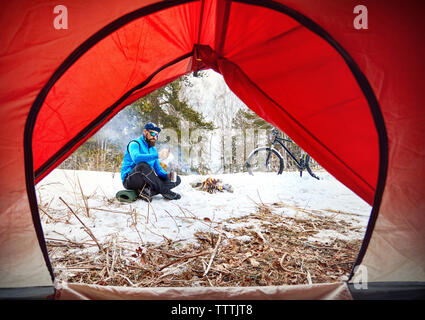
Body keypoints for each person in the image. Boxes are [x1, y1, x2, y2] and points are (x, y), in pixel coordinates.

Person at [120, 122, 181, 201]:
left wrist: (167, 176)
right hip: (131, 180)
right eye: (152, 133)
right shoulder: (134, 143)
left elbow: (158, 170)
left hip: (147, 181)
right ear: (145, 132)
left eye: (157, 135)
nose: (154, 137)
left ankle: (147, 192)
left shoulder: (153, 149)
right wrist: (158, 155)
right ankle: (165, 191)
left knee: (175, 177)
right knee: (143, 165)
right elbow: (136, 158)